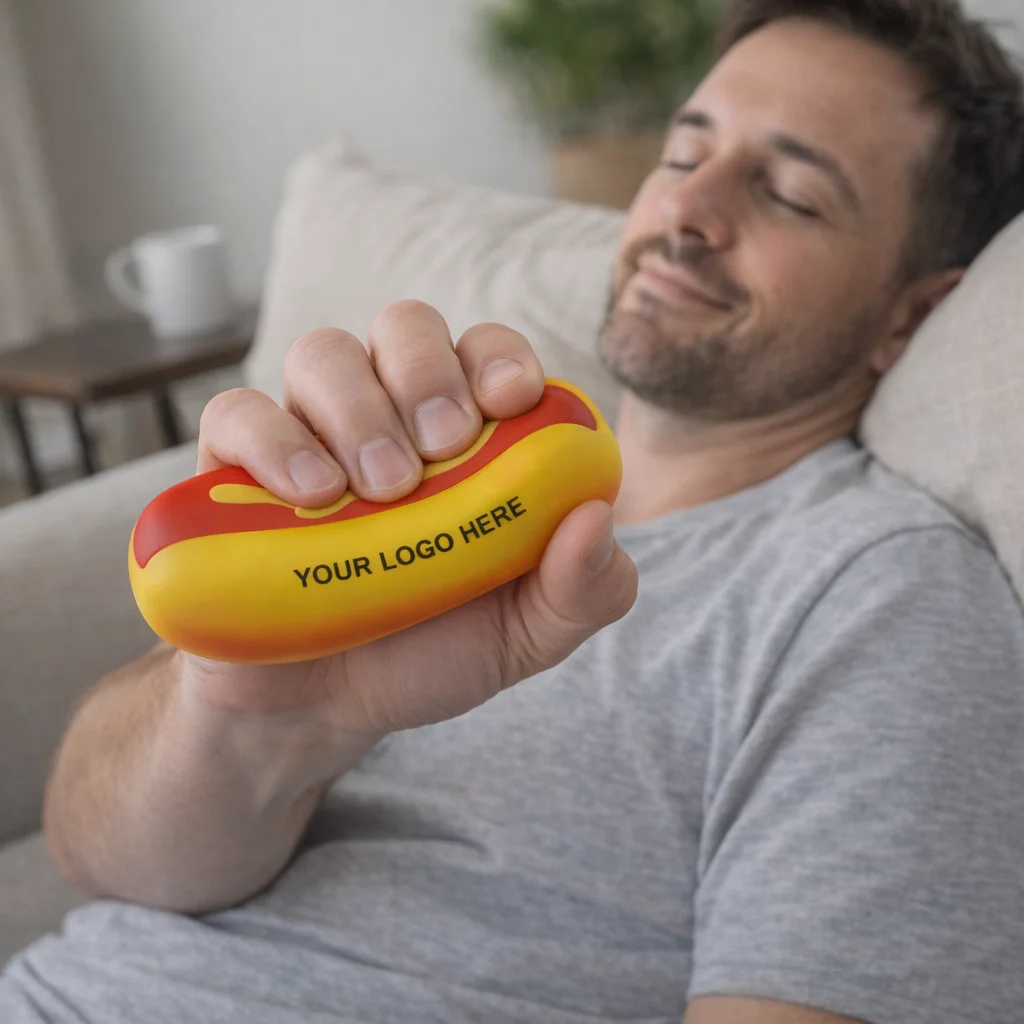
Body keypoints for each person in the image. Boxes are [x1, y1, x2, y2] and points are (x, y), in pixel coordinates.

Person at [4, 1, 1024, 1021]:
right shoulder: (421, 481)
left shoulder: (882, 593)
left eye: (790, 193)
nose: (687, 211)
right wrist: (248, 717)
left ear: (912, 312)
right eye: (682, 154)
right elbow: (90, 849)